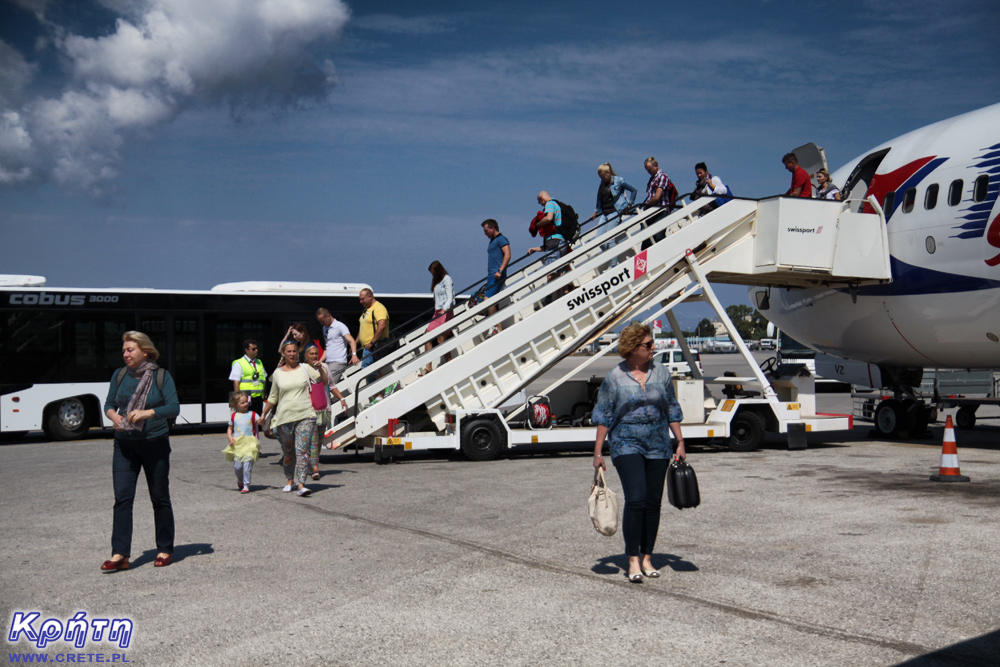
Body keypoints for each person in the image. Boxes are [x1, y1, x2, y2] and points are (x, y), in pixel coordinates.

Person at [591, 322, 685, 584]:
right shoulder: (615, 377)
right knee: (637, 498)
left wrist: (679, 441)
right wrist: (598, 452)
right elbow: (603, 415)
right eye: (648, 344)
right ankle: (632, 558)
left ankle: (647, 557)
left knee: (653, 503)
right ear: (633, 348)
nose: (654, 347)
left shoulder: (662, 374)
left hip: (658, 443)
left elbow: (672, 409)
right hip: (625, 442)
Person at [101, 331, 180, 572]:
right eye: (124, 350)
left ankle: (165, 548)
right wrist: (115, 417)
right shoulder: (120, 374)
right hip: (124, 444)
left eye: (130, 350)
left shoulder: (161, 376)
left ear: (145, 351)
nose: (125, 354)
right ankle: (120, 554)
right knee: (122, 499)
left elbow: (173, 406)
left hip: (154, 443)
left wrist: (147, 413)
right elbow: (109, 405)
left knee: (159, 498)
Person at [259, 339, 321, 497]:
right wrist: (263, 414)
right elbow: (273, 397)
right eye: (289, 351)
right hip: (284, 418)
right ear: (283, 354)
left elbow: (323, 381)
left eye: (294, 351)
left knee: (303, 451)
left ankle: (301, 485)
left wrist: (323, 370)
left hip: (306, 415)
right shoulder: (278, 373)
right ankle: (289, 479)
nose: (292, 354)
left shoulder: (306, 368)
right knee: (288, 452)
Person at [303, 342, 346, 480]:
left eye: (316, 353)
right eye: (311, 354)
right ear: (306, 356)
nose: (315, 356)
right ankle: (314, 467)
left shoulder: (325, 366)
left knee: (319, 439)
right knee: (313, 438)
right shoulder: (302, 369)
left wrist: (342, 399)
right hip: (309, 409)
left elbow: (330, 385)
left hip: (324, 407)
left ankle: (312, 462)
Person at [419, 260, 456, 376]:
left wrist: (445, 308)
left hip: (446, 312)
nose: (433, 275)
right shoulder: (437, 281)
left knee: (441, 339)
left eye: (433, 272)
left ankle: (449, 362)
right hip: (437, 312)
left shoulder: (447, 279)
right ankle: (428, 366)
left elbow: (450, 296)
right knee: (428, 336)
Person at [224, 391, 261, 493]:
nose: (246, 404)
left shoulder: (252, 414)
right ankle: (240, 480)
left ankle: (246, 485)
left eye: (246, 401)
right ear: (236, 405)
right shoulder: (234, 416)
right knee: (238, 467)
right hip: (238, 443)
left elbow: (260, 421)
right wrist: (230, 438)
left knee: (247, 465)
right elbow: (230, 428)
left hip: (249, 442)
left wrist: (263, 419)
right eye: (242, 402)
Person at [481, 219, 510, 335]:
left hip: (497, 275)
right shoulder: (492, 241)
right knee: (491, 301)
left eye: (486, 231)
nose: (485, 233)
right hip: (491, 275)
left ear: (493, 229)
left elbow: (507, 254)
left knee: (487, 300)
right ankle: (497, 327)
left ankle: (497, 327)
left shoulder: (501, 239)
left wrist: (500, 270)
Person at [316, 307, 359, 385]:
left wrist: (354, 355)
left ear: (328, 316)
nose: (322, 323)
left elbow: (351, 341)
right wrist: (320, 361)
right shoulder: (324, 328)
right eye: (320, 322)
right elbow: (327, 347)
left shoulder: (340, 326)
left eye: (323, 321)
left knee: (329, 385)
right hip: (328, 362)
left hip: (338, 361)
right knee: (322, 383)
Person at [587, 163, 638, 227]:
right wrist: (596, 212)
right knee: (599, 235)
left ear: (609, 173)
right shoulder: (602, 184)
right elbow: (599, 199)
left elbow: (634, 190)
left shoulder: (618, 180)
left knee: (610, 234)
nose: (602, 179)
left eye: (603, 177)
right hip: (604, 213)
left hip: (615, 211)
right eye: (600, 177)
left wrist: (630, 204)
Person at [229, 339, 268, 415]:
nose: (256, 350)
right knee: (247, 421)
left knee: (257, 421)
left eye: (257, 348)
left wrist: (265, 393)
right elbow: (236, 383)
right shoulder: (239, 363)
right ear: (246, 350)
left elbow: (264, 379)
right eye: (253, 349)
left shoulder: (259, 362)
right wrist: (238, 400)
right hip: (246, 398)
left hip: (259, 398)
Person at [358, 288, 390, 370]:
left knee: (367, 369)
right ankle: (386, 382)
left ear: (370, 297)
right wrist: (355, 343)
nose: (360, 302)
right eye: (360, 299)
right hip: (366, 348)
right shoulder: (366, 310)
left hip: (373, 347)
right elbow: (363, 328)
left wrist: (372, 342)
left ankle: (389, 383)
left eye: (362, 299)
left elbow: (382, 325)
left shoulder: (378, 308)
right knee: (370, 373)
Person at [535, 191, 568, 266]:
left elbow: (549, 218)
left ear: (541, 198)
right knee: (559, 270)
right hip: (562, 240)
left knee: (551, 272)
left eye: (539, 202)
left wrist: (539, 224)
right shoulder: (557, 204)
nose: (541, 205)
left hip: (553, 240)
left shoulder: (549, 204)